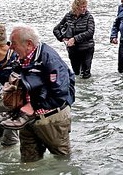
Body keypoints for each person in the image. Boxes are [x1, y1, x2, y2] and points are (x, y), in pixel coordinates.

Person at [9, 25, 75, 162]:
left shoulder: (50, 59)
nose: (10, 48)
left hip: (51, 118)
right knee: (28, 161)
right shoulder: (20, 58)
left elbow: (61, 93)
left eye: (13, 44)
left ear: (28, 44)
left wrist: (33, 105)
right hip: (27, 117)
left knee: (62, 160)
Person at [53, 0, 95, 79]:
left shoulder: (89, 16)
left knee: (85, 74)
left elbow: (90, 32)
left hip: (87, 48)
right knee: (76, 73)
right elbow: (56, 29)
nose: (84, 9)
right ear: (76, 7)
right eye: (82, 7)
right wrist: (62, 38)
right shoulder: (68, 16)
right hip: (73, 49)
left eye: (85, 7)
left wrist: (75, 39)